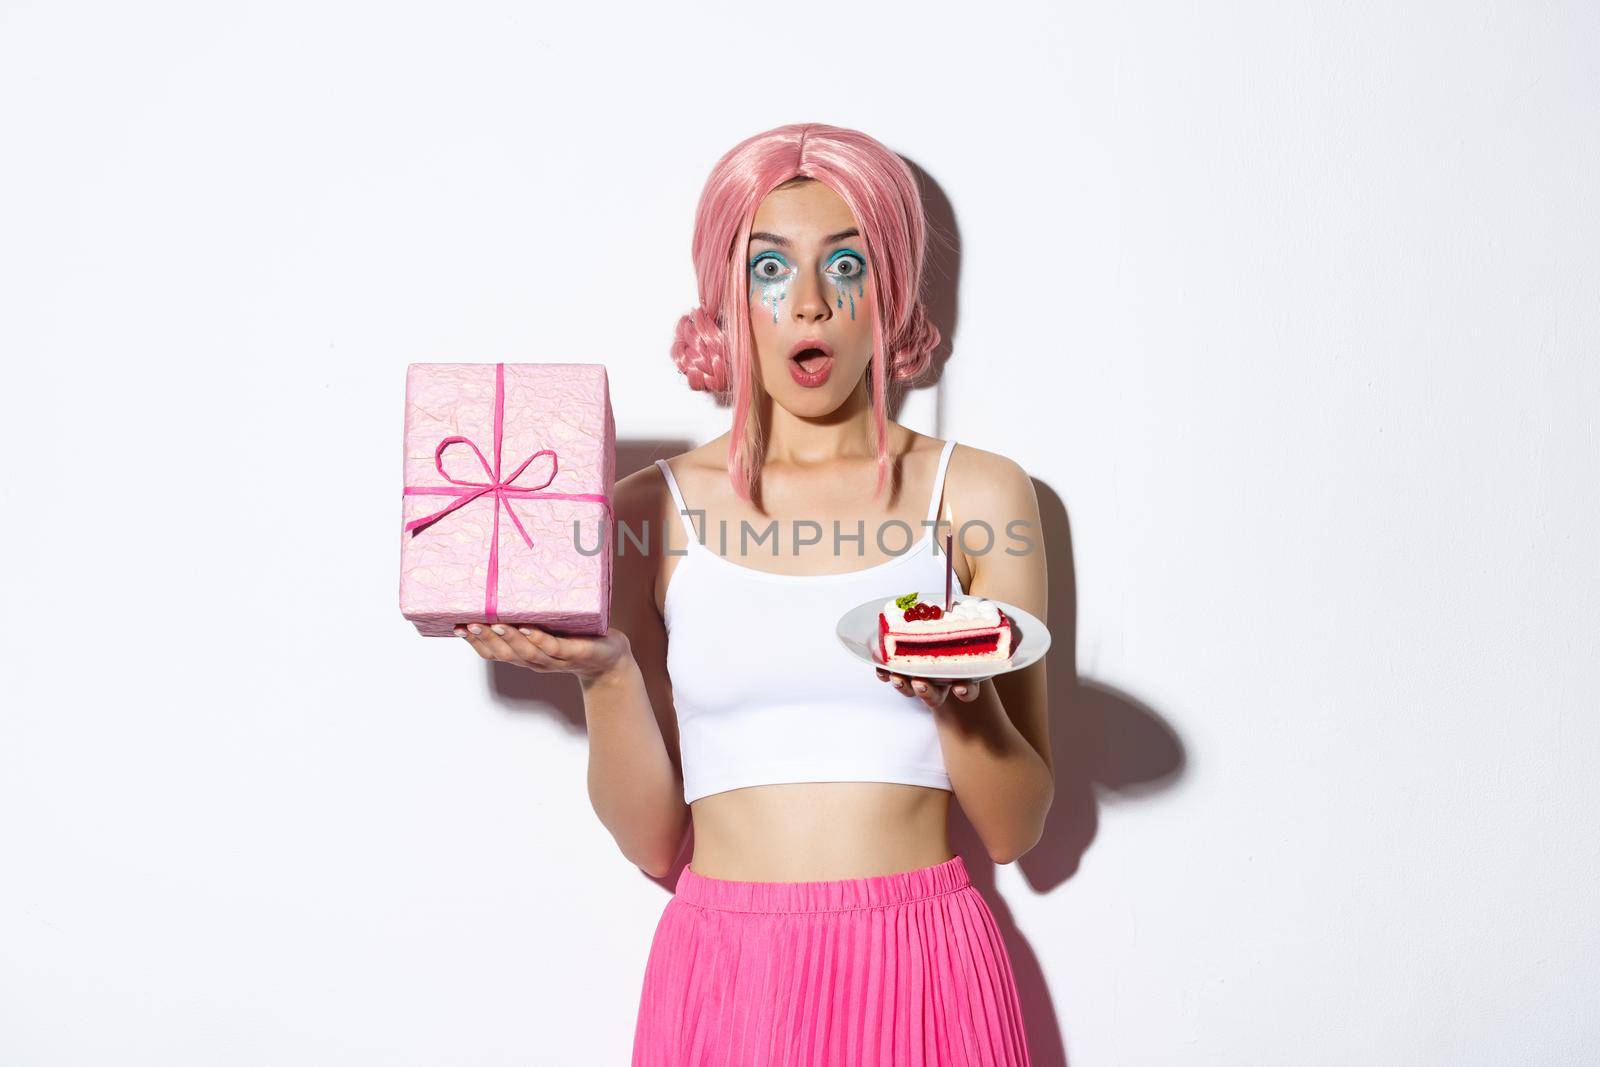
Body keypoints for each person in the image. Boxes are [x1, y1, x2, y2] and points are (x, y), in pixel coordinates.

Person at [456, 122, 1050, 1065]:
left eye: (845, 265)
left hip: (921, 958)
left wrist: (956, 695)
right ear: (728, 300)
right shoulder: (649, 509)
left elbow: (1018, 828)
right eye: (770, 270)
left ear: (889, 290)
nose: (808, 303)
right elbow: (655, 844)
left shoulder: (978, 495)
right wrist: (605, 673)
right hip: (726, 973)